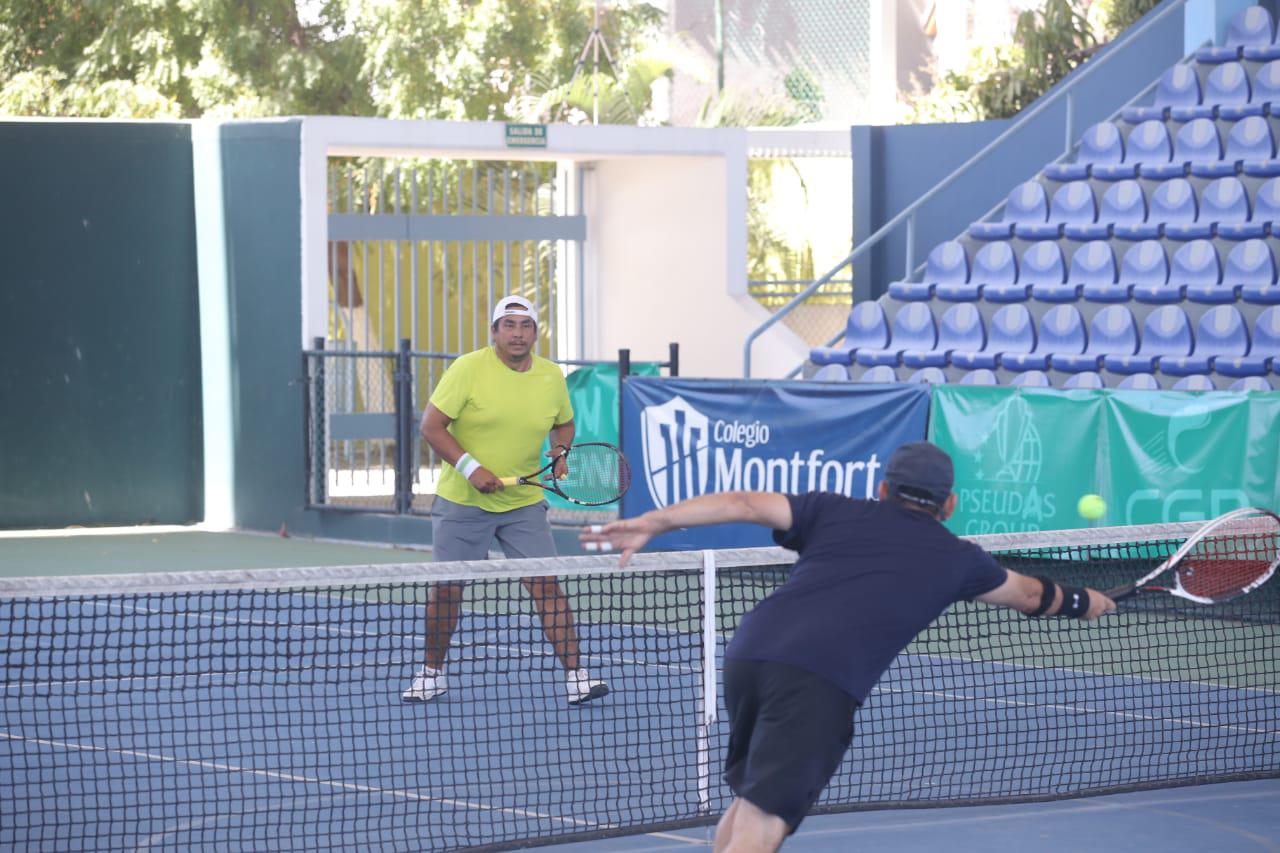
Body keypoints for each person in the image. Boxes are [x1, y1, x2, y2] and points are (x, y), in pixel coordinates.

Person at [580, 441, 1114, 852]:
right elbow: (1029, 594)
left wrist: (655, 521)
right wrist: (1083, 601)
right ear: (949, 504)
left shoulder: (831, 509)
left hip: (749, 653)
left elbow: (743, 502)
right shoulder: (959, 559)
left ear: (883, 489)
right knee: (765, 821)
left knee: (752, 804)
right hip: (817, 680)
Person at [403, 295, 608, 707]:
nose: (518, 334)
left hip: (523, 502)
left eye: (525, 325)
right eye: (509, 325)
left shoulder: (551, 376)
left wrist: (560, 451)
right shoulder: (467, 369)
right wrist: (471, 469)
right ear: (494, 332)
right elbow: (431, 426)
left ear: (535, 333)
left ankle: (577, 677)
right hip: (462, 501)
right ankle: (431, 674)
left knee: (546, 584)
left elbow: (564, 424)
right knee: (447, 590)